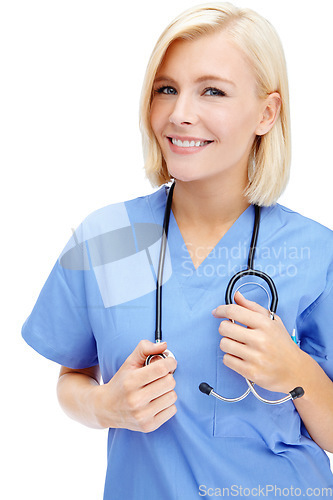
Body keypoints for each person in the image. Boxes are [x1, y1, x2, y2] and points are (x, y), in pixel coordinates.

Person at [22, 2, 333, 499]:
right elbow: (72, 378)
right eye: (166, 89)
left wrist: (296, 373)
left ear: (267, 112)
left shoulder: (315, 252)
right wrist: (107, 407)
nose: (180, 114)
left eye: (212, 91)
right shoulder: (111, 239)